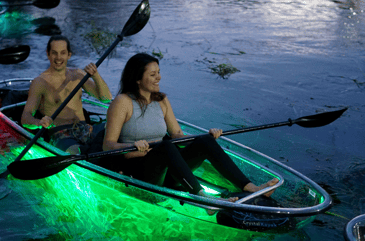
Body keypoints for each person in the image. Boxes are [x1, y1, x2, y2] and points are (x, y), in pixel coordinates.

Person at [102, 53, 279, 214]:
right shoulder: (122, 102)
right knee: (165, 146)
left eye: (159, 72)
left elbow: (177, 134)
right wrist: (133, 145)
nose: (159, 78)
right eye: (152, 74)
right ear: (137, 79)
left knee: (204, 141)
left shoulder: (161, 100)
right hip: (141, 172)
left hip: (168, 168)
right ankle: (203, 199)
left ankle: (250, 187)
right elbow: (108, 145)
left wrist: (204, 136)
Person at [21, 35, 112, 154]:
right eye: (54, 53)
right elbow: (25, 118)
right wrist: (38, 123)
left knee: (119, 127)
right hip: (61, 135)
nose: (58, 58)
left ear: (69, 54)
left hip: (86, 129)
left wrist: (96, 76)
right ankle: (91, 155)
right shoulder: (39, 82)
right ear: (48, 54)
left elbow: (106, 98)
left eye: (63, 53)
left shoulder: (78, 74)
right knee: (76, 153)